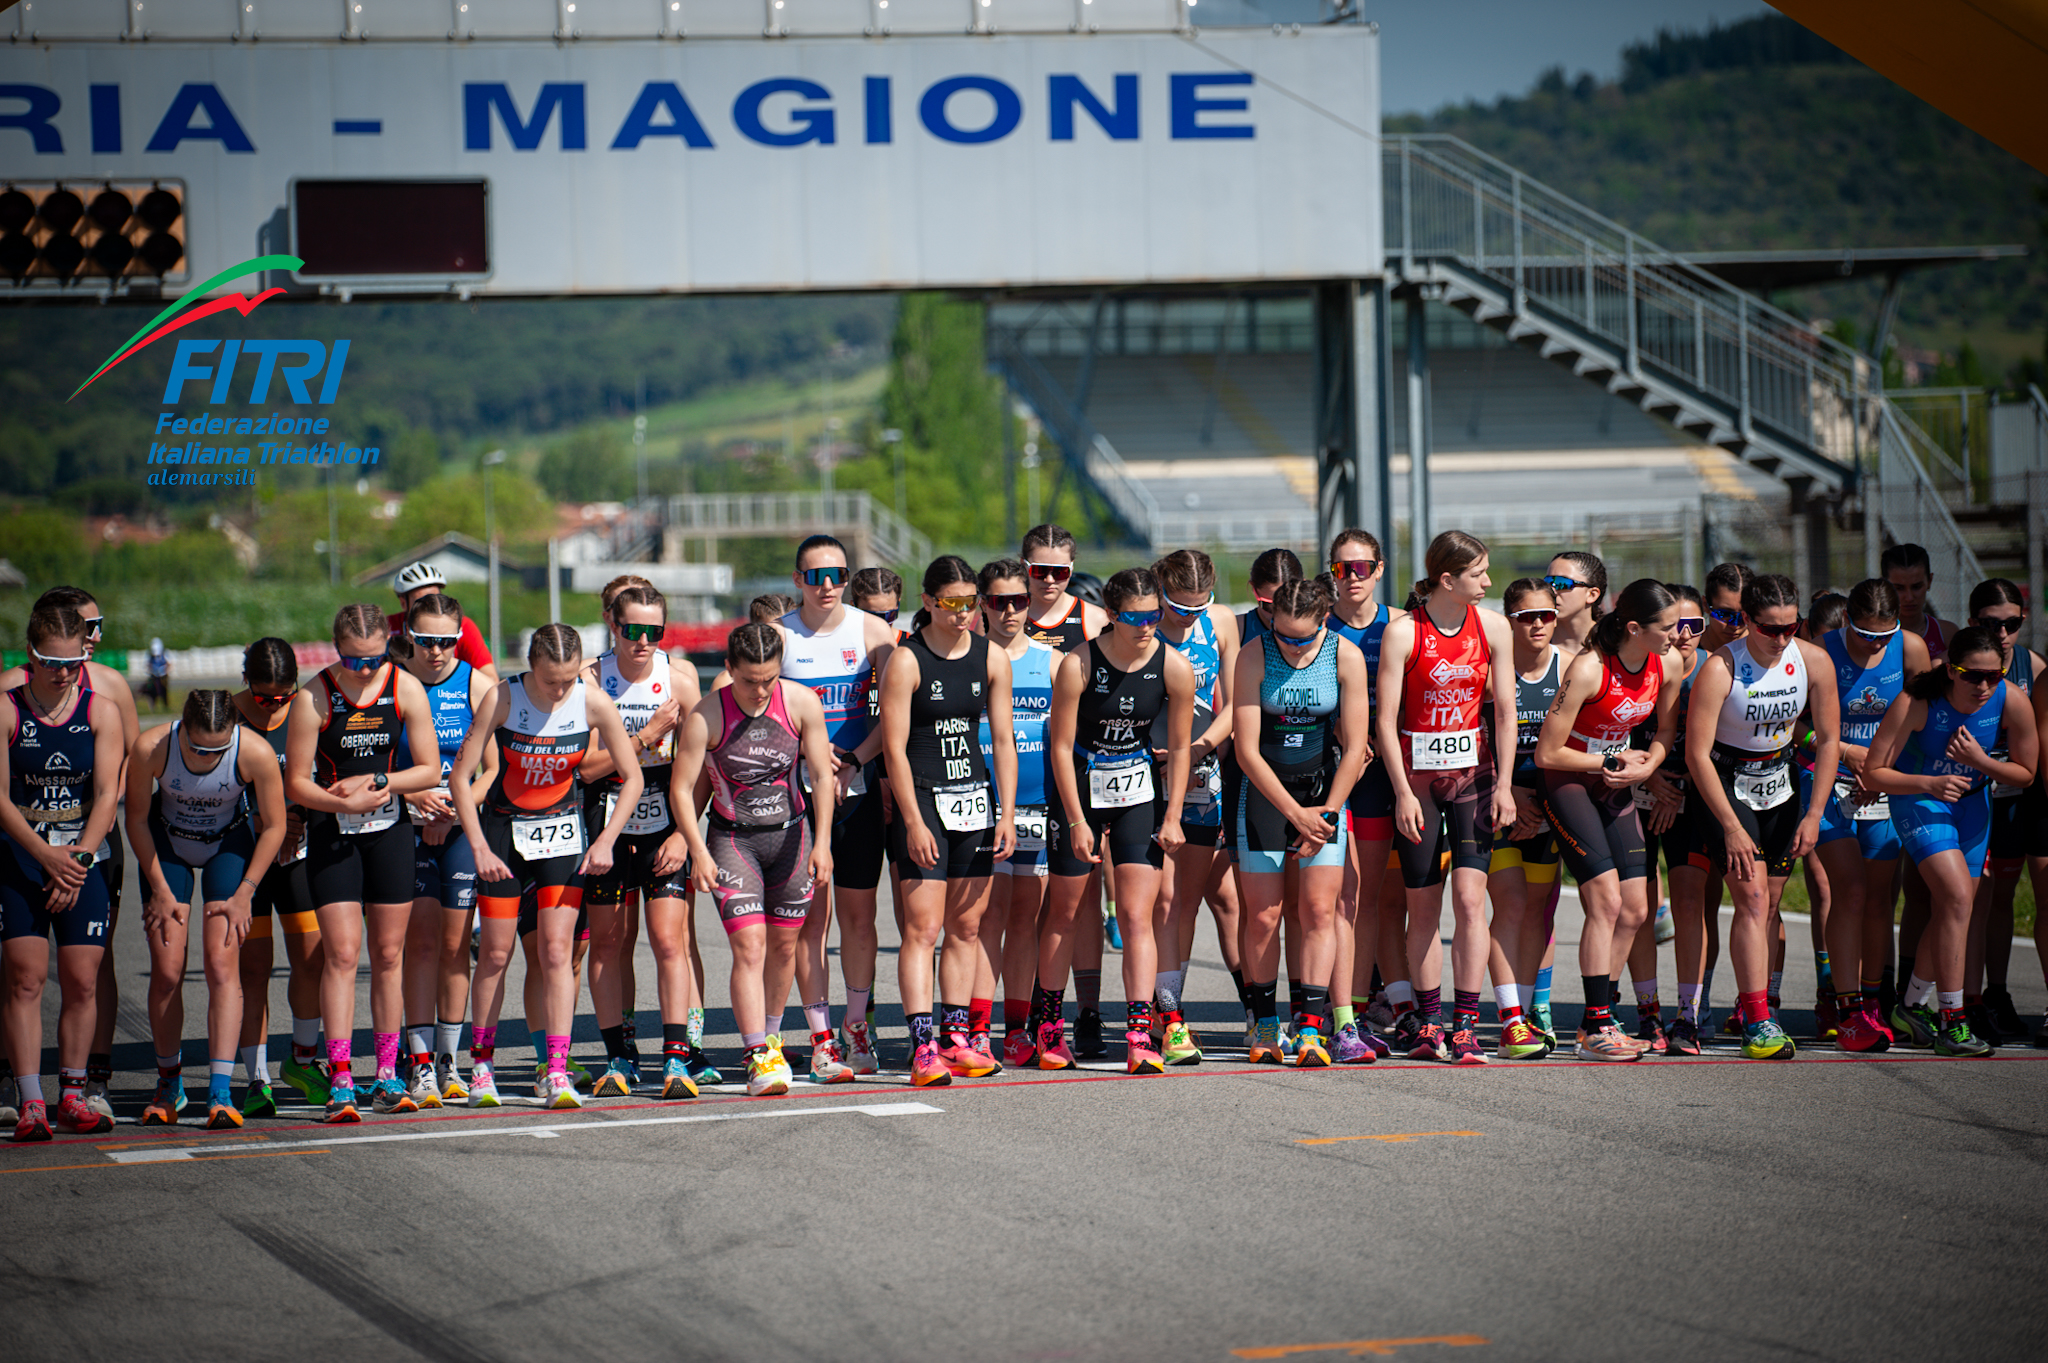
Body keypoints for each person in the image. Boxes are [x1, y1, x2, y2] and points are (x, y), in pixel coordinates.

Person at [449, 625, 640, 1109]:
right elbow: (459, 776)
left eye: (568, 680)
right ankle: (482, 1068)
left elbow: (632, 777)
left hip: (561, 835)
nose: (560, 691)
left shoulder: (593, 701)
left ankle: (555, 1070)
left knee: (557, 953)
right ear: (532, 667)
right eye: (551, 681)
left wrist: (606, 840)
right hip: (503, 835)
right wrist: (478, 848)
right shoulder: (503, 698)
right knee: (494, 954)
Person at [285, 606, 443, 1122]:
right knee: (342, 954)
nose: (364, 669)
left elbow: (429, 768)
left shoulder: (404, 687)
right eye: (352, 660)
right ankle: (341, 1076)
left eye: (374, 659)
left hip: (389, 831)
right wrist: (341, 805)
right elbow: (296, 783)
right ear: (335, 649)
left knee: (390, 954)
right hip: (335, 834)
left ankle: (388, 1072)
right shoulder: (314, 696)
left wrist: (380, 785)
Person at [1036, 568, 1195, 1073]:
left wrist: (1173, 816)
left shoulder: (1174, 666)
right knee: (1064, 911)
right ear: (1111, 615)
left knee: (1136, 915)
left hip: (1137, 786)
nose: (1148, 626)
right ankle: (1048, 1028)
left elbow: (1184, 748)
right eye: (1135, 617)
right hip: (1081, 784)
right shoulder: (1078, 664)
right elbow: (1060, 747)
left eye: (1155, 615)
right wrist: (1078, 820)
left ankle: (1139, 1033)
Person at [672, 624, 836, 1098]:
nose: (761, 691)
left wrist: (822, 842)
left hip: (792, 837)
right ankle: (756, 1055)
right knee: (749, 947)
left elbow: (822, 777)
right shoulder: (707, 715)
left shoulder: (801, 702)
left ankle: (771, 1038)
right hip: (734, 842)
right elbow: (682, 789)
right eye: (750, 681)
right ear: (729, 670)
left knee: (785, 948)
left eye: (769, 679)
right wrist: (698, 850)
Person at [0, 586, 142, 1123]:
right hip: (23, 856)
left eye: (73, 662)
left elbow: (109, 792)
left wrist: (78, 859)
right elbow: (0, 796)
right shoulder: (6, 708)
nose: (63, 673)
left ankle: (75, 1094)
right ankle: (30, 1098)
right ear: (30, 656)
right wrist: (45, 855)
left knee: (84, 979)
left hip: (83, 859)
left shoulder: (101, 708)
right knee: (25, 977)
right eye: (51, 663)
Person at [1375, 531, 1518, 1062]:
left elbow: (1504, 711)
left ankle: (1465, 1023)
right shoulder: (1403, 633)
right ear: (1447, 579)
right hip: (1417, 780)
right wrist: (1401, 793)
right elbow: (1384, 722)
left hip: (1473, 778)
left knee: (1470, 901)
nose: (1486, 581)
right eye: (1478, 573)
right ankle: (1429, 1020)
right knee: (1424, 906)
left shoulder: (1494, 627)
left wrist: (1503, 784)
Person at [1684, 573, 1838, 1061]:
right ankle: (1758, 1019)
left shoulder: (1812, 660)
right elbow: (1697, 755)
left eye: (1791, 627)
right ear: (1747, 621)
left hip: (1782, 785)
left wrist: (1815, 813)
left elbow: (1829, 740)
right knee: (1749, 898)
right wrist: (1729, 824)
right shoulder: (1720, 668)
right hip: (1728, 786)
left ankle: (1754, 1001)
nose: (1782, 638)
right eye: (1770, 629)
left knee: (1769, 905)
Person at [1865, 626, 2037, 1056]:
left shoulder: (2010, 700)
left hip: (1973, 804)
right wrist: (1930, 781)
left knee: (1956, 908)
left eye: (1993, 676)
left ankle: (1910, 1005)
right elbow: (1873, 772)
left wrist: (1981, 761)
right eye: (1971, 676)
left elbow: (2027, 773)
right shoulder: (1918, 700)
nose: (1983, 686)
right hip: (1922, 799)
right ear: (1950, 670)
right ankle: (1952, 1021)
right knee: (1959, 897)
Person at [879, 556, 1019, 1085]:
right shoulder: (908, 661)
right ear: (930, 601)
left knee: (966, 926)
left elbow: (1003, 741)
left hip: (975, 802)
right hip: (923, 801)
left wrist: (1005, 812)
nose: (963, 614)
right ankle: (922, 1044)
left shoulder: (992, 658)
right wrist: (913, 821)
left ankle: (957, 1035)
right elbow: (893, 749)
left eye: (971, 604)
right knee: (924, 929)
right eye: (953, 604)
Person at [1535, 579, 1684, 1061]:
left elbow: (1664, 730)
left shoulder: (1669, 663)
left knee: (1637, 908)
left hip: (1615, 778)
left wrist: (1650, 762)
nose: (1678, 635)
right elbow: (1547, 753)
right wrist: (1612, 762)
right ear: (1636, 628)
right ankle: (1600, 1024)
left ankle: (1595, 1021)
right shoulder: (1589, 668)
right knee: (1605, 900)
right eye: (1667, 627)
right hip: (1571, 779)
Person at [126, 690, 288, 1128]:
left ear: (234, 733)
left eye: (217, 749)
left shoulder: (254, 751)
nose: (205, 757)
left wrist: (246, 891)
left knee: (221, 965)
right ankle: (168, 1083)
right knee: (166, 967)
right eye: (196, 748)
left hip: (227, 847)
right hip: (168, 847)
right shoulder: (151, 747)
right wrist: (158, 886)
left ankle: (220, 1090)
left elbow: (275, 826)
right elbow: (136, 820)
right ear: (181, 730)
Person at [578, 583, 716, 1095]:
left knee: (668, 940)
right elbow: (589, 769)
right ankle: (620, 1054)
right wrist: (647, 734)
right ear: (613, 624)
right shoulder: (590, 680)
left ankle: (678, 1056)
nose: (643, 642)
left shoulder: (679, 678)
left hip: (664, 816)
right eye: (633, 630)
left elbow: (700, 766)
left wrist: (686, 832)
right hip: (609, 820)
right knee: (609, 943)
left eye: (654, 632)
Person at [1231, 576, 1370, 1066]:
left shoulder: (1343, 656)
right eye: (1282, 635)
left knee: (1318, 910)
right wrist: (1296, 816)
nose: (1289, 647)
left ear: (1324, 621)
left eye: (1301, 638)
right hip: (1268, 797)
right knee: (1265, 916)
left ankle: (1312, 1028)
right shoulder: (1254, 654)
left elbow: (1355, 748)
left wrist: (1327, 815)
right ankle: (1266, 1023)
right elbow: (1246, 750)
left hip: (1323, 794)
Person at [775, 536, 897, 1074]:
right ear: (797, 580)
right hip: (801, 790)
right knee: (809, 923)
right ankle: (822, 1036)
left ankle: (856, 1027)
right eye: (815, 575)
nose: (827, 585)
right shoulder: (779, 635)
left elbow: (896, 712)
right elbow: (761, 707)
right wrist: (813, 755)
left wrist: (853, 760)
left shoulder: (871, 629)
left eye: (837, 575)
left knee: (859, 919)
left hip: (858, 785)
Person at [1801, 579, 1928, 1053]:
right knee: (1847, 892)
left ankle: (1874, 1002)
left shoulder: (1910, 649)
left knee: (1879, 901)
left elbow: (1925, 719)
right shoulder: (1820, 651)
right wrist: (1849, 752)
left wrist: (1887, 768)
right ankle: (1845, 1005)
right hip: (1829, 783)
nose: (1874, 645)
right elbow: (1796, 729)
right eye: (1863, 634)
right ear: (1846, 621)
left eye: (1883, 636)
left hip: (1883, 789)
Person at [393, 593, 498, 1107]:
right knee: (422, 945)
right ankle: (418, 1065)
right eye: (426, 641)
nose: (436, 652)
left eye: (447, 642)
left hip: (458, 828)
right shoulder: (393, 683)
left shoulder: (477, 684)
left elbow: (493, 769)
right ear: (409, 635)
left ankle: (449, 1060)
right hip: (405, 829)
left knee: (458, 948)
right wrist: (414, 799)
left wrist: (455, 810)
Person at [1019, 525, 1115, 1053]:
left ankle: (1089, 1013)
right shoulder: (1004, 613)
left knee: (1081, 901)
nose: (1049, 581)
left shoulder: (1092, 619)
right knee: (1025, 903)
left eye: (1060, 572)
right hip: (1018, 773)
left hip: (1078, 774)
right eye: (1039, 570)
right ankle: (1026, 1010)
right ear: (1023, 567)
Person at [229, 639, 329, 1112]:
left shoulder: (306, 707)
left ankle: (304, 1060)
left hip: (297, 851)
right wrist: (262, 823)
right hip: (246, 855)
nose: (273, 707)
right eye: (264, 698)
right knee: (254, 967)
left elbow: (324, 777)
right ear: (246, 681)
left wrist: (299, 821)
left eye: (283, 698)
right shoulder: (225, 715)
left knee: (312, 957)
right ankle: (257, 1077)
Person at [1151, 548, 1243, 1066]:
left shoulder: (1221, 622)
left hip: (1204, 771)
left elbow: (1234, 701)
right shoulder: (1142, 623)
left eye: (1198, 606)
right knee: (1166, 900)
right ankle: (1169, 1017)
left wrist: (1201, 748)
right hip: (1150, 772)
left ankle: (1255, 1012)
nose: (1189, 616)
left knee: (1194, 898)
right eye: (1178, 607)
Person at [976, 559, 1060, 1068]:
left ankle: (1016, 1030)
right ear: (982, 604)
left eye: (1019, 601)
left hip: (1035, 804)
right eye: (998, 601)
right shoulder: (970, 660)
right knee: (986, 919)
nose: (1010, 611)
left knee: (1026, 920)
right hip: (980, 805)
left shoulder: (1051, 663)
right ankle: (976, 1030)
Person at [1325, 530, 1402, 1063]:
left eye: (1361, 567)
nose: (1352, 577)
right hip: (1327, 772)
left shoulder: (1399, 626)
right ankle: (1324, 1013)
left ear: (1379, 569)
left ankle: (1355, 1011)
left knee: (1363, 898)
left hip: (1380, 773)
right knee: (1329, 901)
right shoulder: (1315, 625)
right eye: (1341, 569)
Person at [1484, 578, 1565, 1060]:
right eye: (1526, 616)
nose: (1537, 624)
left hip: (1547, 804)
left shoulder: (1570, 666)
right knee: (1510, 905)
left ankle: (1533, 1010)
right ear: (1508, 618)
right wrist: (1507, 788)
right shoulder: (1493, 666)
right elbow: (1471, 732)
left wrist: (1537, 799)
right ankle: (1510, 1019)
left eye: (1546, 615)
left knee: (1538, 911)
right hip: (1497, 800)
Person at [1963, 579, 2043, 1043]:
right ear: (1975, 623)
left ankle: (1996, 991)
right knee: (1976, 897)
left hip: (2016, 800)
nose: (2002, 632)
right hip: (1971, 798)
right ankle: (1964, 999)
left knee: (2003, 898)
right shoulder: (1956, 667)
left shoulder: (2032, 667)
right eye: (1991, 624)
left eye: (2011, 623)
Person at [1633, 586, 1710, 1054]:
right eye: (1674, 626)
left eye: (1694, 626)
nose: (1683, 636)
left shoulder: (1717, 669)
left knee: (1687, 901)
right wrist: (1654, 778)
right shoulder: (1645, 664)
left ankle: (1688, 1015)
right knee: (1638, 905)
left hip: (1693, 798)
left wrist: (1677, 788)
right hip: (1641, 792)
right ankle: (1647, 1011)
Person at [386, 561, 498, 678]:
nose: (428, 608)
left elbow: (490, 677)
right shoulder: (387, 628)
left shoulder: (464, 625)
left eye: (446, 641)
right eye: (420, 603)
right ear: (404, 603)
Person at [1882, 543, 1947, 661]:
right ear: (1884, 585)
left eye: (1916, 587)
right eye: (1899, 588)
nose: (1909, 598)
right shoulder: (1872, 638)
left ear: (1930, 581)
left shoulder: (1947, 634)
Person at [1545, 552, 1607, 660]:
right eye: (1548, 583)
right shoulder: (1531, 648)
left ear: (1592, 595)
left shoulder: (1614, 646)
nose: (1553, 591)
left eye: (1563, 583)